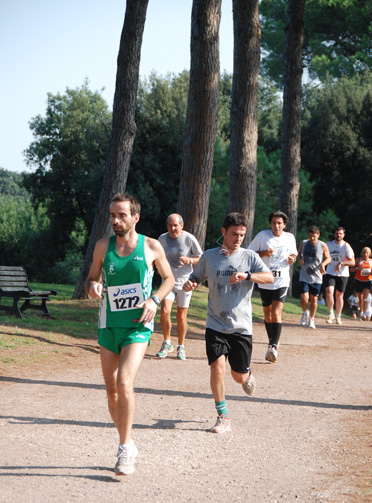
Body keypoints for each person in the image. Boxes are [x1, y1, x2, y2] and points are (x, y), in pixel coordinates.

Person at [85, 193, 175, 476]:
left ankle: (124, 449)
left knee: (124, 383)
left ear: (135, 217)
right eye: (112, 215)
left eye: (121, 215)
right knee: (111, 393)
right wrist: (93, 287)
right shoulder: (102, 247)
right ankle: (128, 440)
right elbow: (91, 279)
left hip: (138, 325)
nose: (115, 220)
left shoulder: (151, 246)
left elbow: (169, 279)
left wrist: (155, 300)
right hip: (108, 325)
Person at [183, 212, 273, 434]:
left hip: (241, 326)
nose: (238, 238)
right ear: (224, 232)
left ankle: (248, 374)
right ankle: (223, 417)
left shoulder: (250, 256)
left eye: (242, 234)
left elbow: (269, 277)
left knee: (238, 376)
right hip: (215, 323)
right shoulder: (209, 256)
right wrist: (191, 283)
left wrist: (248, 276)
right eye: (234, 234)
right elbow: (197, 276)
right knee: (216, 368)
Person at [247, 210, 297, 362]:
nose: (276, 226)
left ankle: (274, 347)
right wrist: (263, 253)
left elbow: (293, 254)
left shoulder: (289, 237)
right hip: (265, 280)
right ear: (270, 224)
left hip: (282, 280)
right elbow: (249, 252)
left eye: (279, 223)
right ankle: (271, 342)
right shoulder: (263, 236)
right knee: (267, 315)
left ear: (284, 225)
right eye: (274, 223)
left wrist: (292, 259)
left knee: (276, 313)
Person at [156, 214, 203, 360]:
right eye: (170, 225)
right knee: (164, 311)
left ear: (182, 225)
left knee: (181, 316)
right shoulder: (162, 239)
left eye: (175, 225)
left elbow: (202, 258)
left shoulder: (189, 239)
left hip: (185, 283)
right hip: (168, 281)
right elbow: (156, 256)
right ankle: (167, 342)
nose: (172, 228)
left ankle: (181, 346)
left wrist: (189, 259)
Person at [298, 226, 331, 329]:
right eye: (311, 236)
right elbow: (299, 254)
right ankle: (304, 313)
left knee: (314, 299)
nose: (312, 239)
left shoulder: (322, 245)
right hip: (304, 275)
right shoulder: (304, 243)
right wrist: (300, 259)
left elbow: (328, 258)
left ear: (318, 235)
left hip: (316, 277)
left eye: (314, 236)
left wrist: (323, 264)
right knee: (304, 297)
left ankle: (311, 319)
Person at [324, 227, 355, 325]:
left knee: (339, 295)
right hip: (330, 272)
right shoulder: (328, 244)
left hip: (342, 274)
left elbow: (352, 262)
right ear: (334, 234)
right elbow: (322, 256)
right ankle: (330, 313)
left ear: (343, 235)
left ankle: (338, 315)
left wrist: (342, 263)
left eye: (340, 233)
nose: (338, 235)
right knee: (329, 292)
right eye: (337, 233)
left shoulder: (346, 246)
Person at [350, 247, 372, 321]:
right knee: (360, 298)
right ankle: (361, 312)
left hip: (367, 281)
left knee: (365, 298)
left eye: (367, 253)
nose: (365, 254)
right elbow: (351, 269)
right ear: (362, 253)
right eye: (364, 252)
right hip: (359, 280)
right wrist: (357, 268)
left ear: (369, 254)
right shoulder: (358, 260)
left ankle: (364, 314)